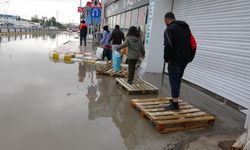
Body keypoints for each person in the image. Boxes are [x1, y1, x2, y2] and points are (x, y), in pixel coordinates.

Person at [163, 12, 197, 110]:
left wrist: (167, 59)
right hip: (185, 60)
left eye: (165, 21)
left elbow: (168, 45)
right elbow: (194, 43)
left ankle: (175, 104)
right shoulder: (186, 28)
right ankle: (175, 99)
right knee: (178, 79)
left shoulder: (169, 29)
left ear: (167, 20)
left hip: (174, 60)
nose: (165, 23)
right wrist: (190, 58)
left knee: (173, 80)